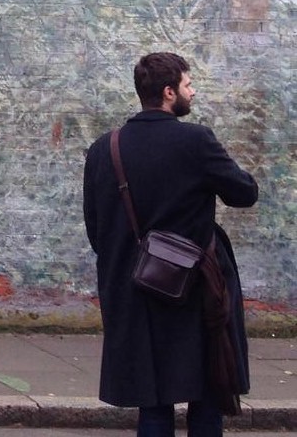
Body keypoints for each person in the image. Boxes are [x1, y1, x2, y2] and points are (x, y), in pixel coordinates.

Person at [83, 52, 259, 437]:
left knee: (154, 403)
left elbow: (96, 229)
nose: (192, 92)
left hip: (135, 292)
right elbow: (244, 193)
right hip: (196, 292)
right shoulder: (195, 141)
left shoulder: (104, 149)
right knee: (206, 395)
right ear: (168, 93)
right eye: (188, 85)